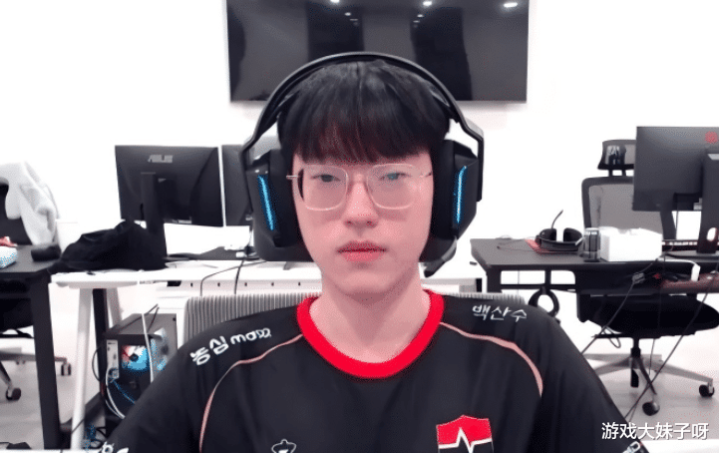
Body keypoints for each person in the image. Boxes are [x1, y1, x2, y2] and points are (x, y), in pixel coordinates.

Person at [100, 57, 648, 453]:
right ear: (283, 199)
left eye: (392, 175)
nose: (359, 211)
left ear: (448, 191)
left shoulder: (525, 347)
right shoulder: (214, 369)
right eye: (326, 177)